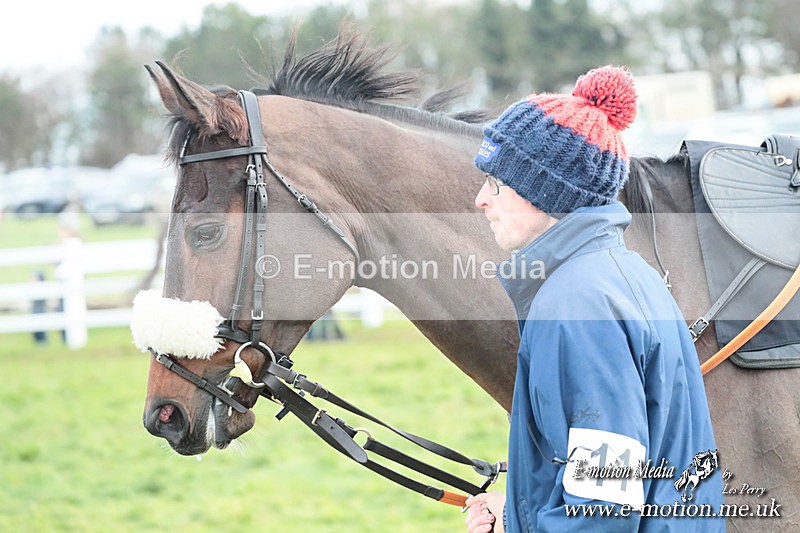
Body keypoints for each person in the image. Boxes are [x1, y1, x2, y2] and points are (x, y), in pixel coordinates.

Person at [464, 66, 724, 532]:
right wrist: (518, 516)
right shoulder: (624, 274)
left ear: (545, 190)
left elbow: (603, 510)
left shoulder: (576, 305)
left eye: (496, 181)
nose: (481, 199)